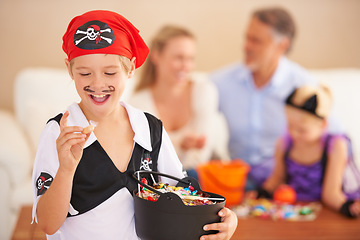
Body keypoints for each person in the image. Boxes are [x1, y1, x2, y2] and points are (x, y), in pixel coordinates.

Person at [31, 10, 237, 239]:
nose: (98, 84)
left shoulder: (149, 128)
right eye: (85, 73)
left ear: (130, 68)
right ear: (69, 68)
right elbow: (48, 224)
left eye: (110, 73)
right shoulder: (59, 132)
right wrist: (66, 170)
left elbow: (185, 197)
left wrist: (227, 219)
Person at [210, 7, 341, 190]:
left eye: (256, 41)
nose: (246, 46)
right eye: (247, 37)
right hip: (238, 182)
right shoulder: (221, 82)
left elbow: (336, 137)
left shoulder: (304, 86)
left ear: (282, 45)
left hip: (287, 183)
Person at [127, 25, 230, 179]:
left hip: (199, 177)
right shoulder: (137, 104)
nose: (186, 66)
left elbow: (200, 156)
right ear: (156, 56)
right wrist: (180, 144)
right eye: (178, 58)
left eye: (190, 59)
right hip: (159, 180)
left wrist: (177, 148)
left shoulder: (204, 91)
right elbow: (145, 160)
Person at [255, 85, 360, 217]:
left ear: (323, 125)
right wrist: (261, 193)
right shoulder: (284, 144)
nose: (294, 133)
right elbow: (277, 179)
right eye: (290, 126)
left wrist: (347, 207)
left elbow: (331, 193)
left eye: (302, 130)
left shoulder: (335, 146)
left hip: (324, 211)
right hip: (294, 211)